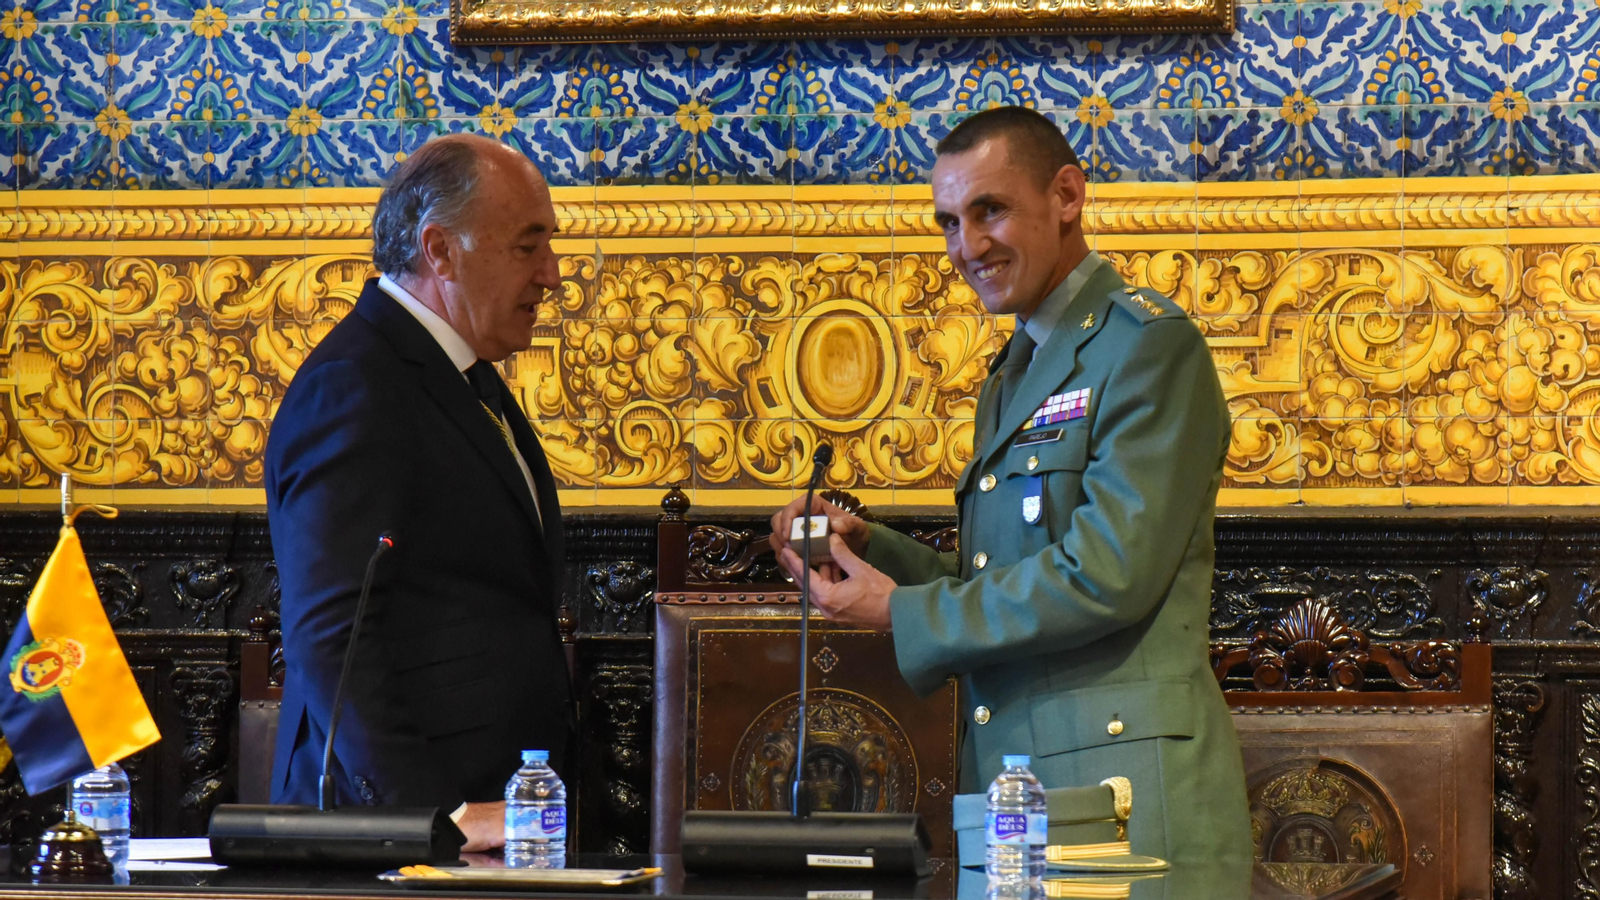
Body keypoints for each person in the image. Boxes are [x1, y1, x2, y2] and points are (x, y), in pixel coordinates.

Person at [770, 107, 1252, 863]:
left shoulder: (1150, 347)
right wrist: (878, 553)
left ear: (1067, 196)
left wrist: (900, 611)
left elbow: (1107, 574)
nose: (968, 246)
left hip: (1123, 797)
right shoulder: (1018, 368)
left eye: (989, 211)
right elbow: (1005, 579)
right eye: (950, 223)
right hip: (1018, 788)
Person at [265, 134, 572, 852]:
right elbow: (331, 636)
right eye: (529, 248)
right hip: (406, 842)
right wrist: (430, 820)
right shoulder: (357, 385)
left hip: (488, 818)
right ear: (440, 250)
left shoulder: (461, 375)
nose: (552, 275)